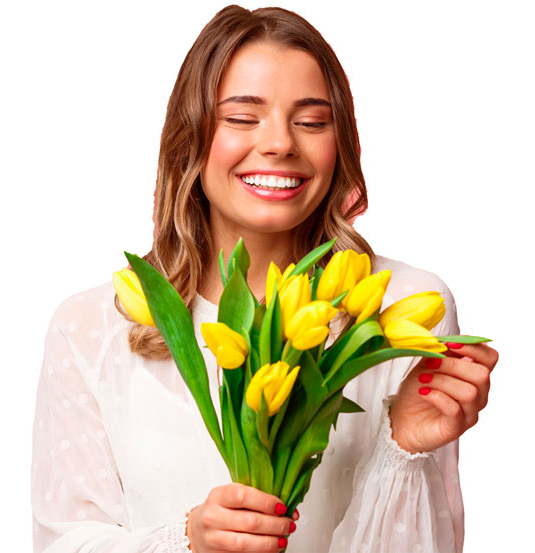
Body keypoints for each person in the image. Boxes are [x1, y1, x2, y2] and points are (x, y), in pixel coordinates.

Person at [31, 5, 498, 553]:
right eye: (242, 117)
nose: (280, 143)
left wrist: (405, 446)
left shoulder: (401, 307)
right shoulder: (92, 326)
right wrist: (188, 541)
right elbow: (64, 543)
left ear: (339, 144)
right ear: (191, 137)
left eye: (311, 121)